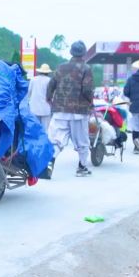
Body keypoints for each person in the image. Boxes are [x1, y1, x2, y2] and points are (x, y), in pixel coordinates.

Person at [46, 40, 94, 177]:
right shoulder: (86, 69)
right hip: (79, 111)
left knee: (56, 139)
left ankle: (50, 164)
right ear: (84, 53)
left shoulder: (61, 67)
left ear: (71, 52)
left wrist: (49, 98)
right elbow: (87, 89)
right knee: (82, 141)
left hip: (60, 110)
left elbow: (51, 84)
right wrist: (90, 103)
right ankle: (82, 167)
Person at [27, 63, 53, 134]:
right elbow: (52, 95)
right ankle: (44, 143)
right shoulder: (50, 80)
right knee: (45, 130)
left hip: (34, 108)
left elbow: (29, 93)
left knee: (34, 129)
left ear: (39, 71)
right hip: (46, 109)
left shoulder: (33, 79)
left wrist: (29, 102)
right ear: (48, 73)